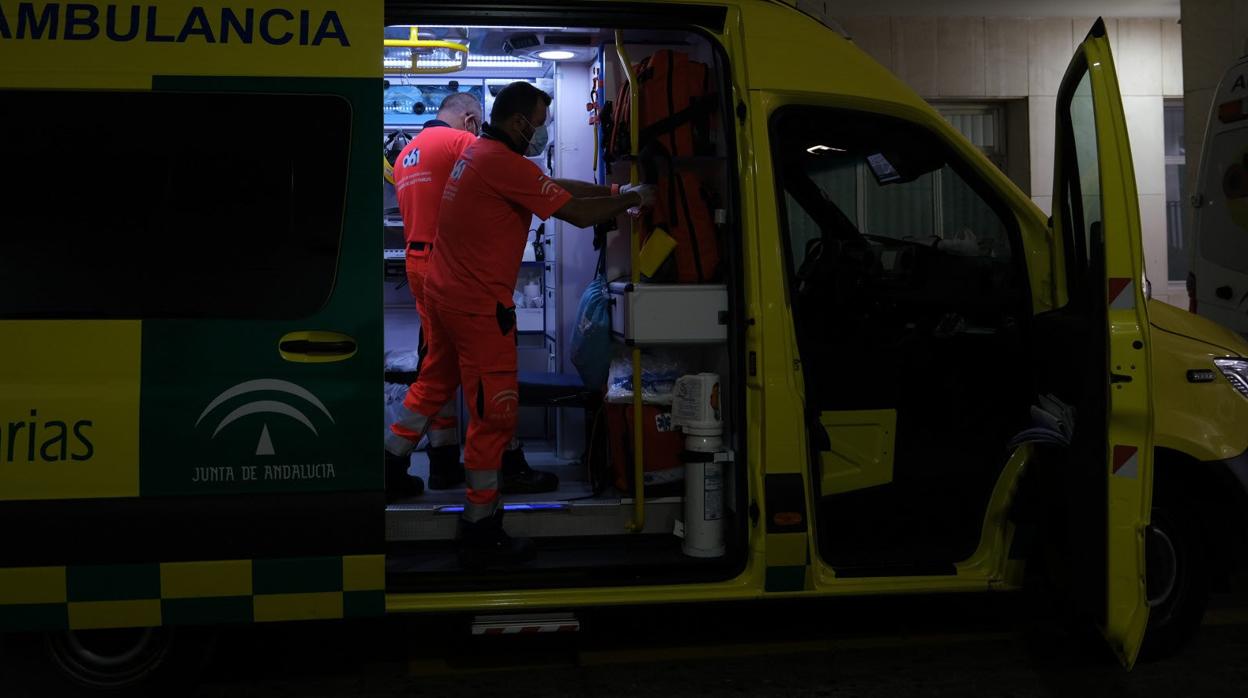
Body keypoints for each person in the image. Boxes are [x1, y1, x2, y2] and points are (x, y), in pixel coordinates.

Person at [384, 81, 654, 568]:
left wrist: (616, 190)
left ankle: (389, 464)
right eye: (541, 122)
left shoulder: (485, 155)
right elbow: (572, 211)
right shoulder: (498, 162)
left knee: (435, 380)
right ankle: (480, 526)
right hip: (476, 305)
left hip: (445, 295)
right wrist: (632, 199)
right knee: (494, 413)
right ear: (517, 122)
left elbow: (554, 190)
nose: (543, 132)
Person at [385, 92, 482, 501]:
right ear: (471, 119)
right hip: (449, 267)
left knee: (439, 359)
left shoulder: (407, 152)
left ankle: (443, 461)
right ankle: (392, 456)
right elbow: (499, 178)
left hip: (419, 265)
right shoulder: (462, 143)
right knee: (464, 367)